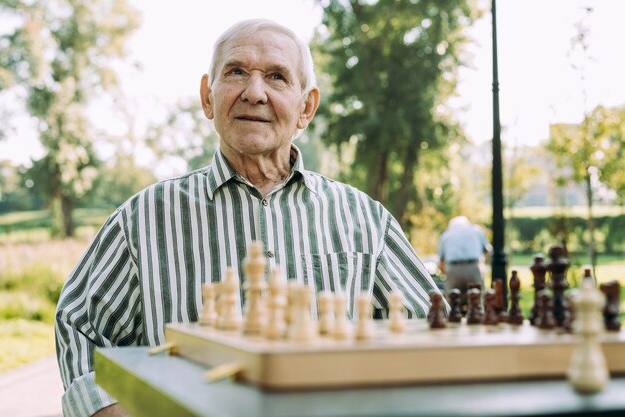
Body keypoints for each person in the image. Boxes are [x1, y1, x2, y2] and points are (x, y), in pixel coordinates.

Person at [55, 18, 443, 417]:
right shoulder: (141, 219)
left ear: (306, 107)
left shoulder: (366, 219)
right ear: (208, 97)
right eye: (236, 72)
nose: (254, 93)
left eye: (276, 77)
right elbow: (78, 325)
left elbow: (430, 331)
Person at [437, 215, 492, 297]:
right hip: (473, 268)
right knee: (478, 299)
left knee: (451, 300)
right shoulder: (476, 230)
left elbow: (440, 263)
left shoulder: (446, 235)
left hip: (453, 269)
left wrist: (446, 273)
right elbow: (488, 252)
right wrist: (483, 264)